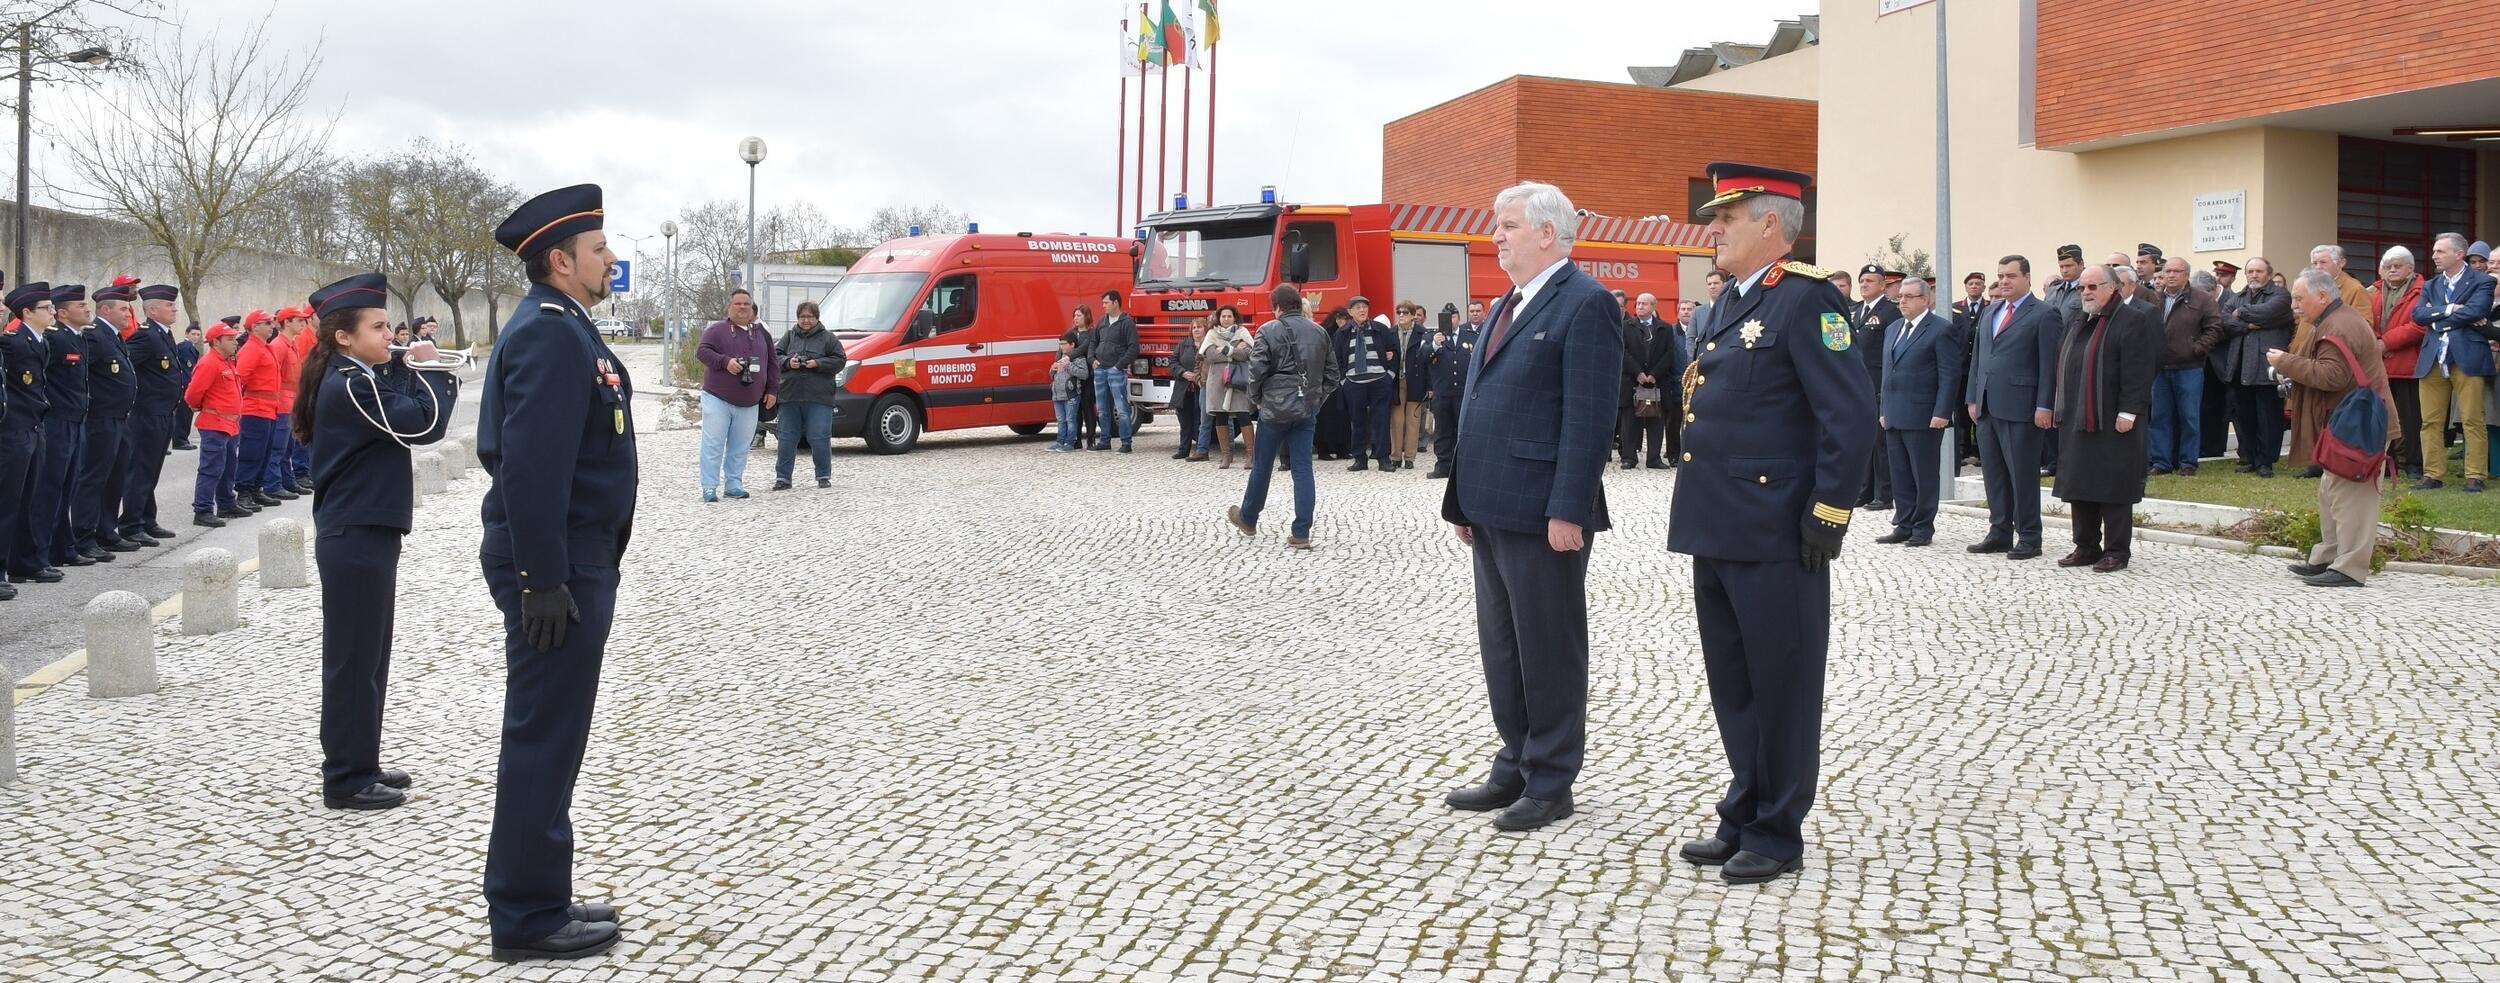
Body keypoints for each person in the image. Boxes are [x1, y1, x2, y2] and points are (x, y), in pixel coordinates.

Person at [1667, 164, 1871, 886]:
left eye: (1729, 216)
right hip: (1717, 524)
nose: (1712, 228)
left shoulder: (1808, 302)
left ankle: (1778, 828)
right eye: (1714, 216)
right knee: (1736, 683)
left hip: (1778, 529)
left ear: (1772, 227)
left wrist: (1827, 514)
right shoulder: (1729, 304)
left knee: (1781, 683)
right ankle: (1745, 805)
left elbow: (1846, 418)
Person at [478, 183, 634, 962]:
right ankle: (527, 914)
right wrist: (544, 577)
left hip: (574, 558)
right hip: (558, 566)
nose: (611, 259)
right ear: (560, 260)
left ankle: (541, 888)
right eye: (600, 249)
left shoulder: (566, 325)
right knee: (543, 733)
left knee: (555, 732)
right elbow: (531, 467)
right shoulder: (547, 332)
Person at [1439, 181, 1622, 839]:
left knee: (1549, 647)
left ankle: (1551, 779)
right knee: (1503, 646)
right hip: (1490, 505)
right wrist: (1462, 498)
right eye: (1498, 224)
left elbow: (1590, 418)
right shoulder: (1509, 304)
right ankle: (1514, 759)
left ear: (1549, 233)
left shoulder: (1587, 304)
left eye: (1509, 225)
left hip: (1544, 510)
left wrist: (1568, 508)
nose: (1498, 235)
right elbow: (1484, 402)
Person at [294, 272, 460, 811]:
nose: (391, 334)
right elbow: (422, 425)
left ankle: (361, 759)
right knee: (353, 658)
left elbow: (403, 410)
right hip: (355, 532)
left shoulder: (360, 375)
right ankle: (344, 777)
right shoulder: (349, 383)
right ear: (343, 335)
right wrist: (433, 368)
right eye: (380, 326)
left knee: (370, 656)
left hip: (366, 529)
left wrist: (401, 364)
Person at [2275, 269, 2401, 588]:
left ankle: (2349, 568)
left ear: (2322, 296)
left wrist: (2285, 362)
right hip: (2350, 422)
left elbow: (2331, 376)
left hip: (2360, 426)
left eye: (2300, 298)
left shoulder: (2338, 325)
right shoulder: (2335, 319)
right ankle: (2329, 556)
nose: (2295, 305)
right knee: (2332, 492)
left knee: (2354, 496)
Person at [2051, 265, 2162, 573]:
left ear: (2112, 288)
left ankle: (2116, 550)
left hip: (2115, 419)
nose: (2086, 292)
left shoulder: (2132, 320)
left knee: (2113, 486)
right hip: (2078, 418)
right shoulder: (2078, 319)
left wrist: (2130, 411)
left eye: (2092, 287)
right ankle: (2085, 546)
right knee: (2080, 484)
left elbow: (2139, 370)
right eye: (2082, 288)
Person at [1225, 283, 1340, 548]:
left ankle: (1248, 518)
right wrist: (1315, 401)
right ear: (1298, 305)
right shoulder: (1320, 331)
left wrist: (1258, 401)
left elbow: (1256, 372)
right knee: (1303, 470)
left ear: (1277, 307)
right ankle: (1301, 532)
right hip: (1306, 408)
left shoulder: (1268, 330)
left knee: (1262, 467)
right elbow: (1333, 375)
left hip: (1273, 410)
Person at [1964, 255, 2062, 560]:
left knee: (2022, 474)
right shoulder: (1990, 311)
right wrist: (1972, 397)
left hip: (2022, 407)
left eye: (2011, 276)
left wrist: (2044, 405)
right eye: (2001, 276)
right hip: (1988, 406)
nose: (2004, 281)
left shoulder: (2044, 314)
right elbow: (1978, 359)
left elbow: (2049, 366)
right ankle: (1999, 532)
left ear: (2027, 278)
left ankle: (2030, 536)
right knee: (1994, 474)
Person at [1875, 277, 1963, 546]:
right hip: (1894, 412)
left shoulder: (1940, 329)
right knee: (1899, 472)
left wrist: (1942, 411)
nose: (1902, 301)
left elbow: (1949, 375)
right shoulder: (1892, 329)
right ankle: (1904, 522)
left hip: (1924, 414)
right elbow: (1886, 373)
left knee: (1923, 473)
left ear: (1925, 299)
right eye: (1900, 296)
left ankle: (1923, 526)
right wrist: (1883, 408)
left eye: (1909, 296)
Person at [2410, 232, 2496, 492]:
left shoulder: (2483, 281)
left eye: (2440, 251)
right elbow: (2417, 314)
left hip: (2467, 356)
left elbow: (2477, 311)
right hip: (2433, 357)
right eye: (2435, 251)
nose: (2434, 255)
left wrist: (2435, 318)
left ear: (2459, 254)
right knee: (2430, 421)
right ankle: (2433, 474)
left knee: (2472, 418)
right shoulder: (2431, 284)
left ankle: (2475, 476)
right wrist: (2448, 310)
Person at [26, 283, 91, 573]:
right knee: (49, 489)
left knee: (67, 488)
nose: (87, 309)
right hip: (57, 421)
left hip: (75, 420)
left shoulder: (77, 338)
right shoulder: (56, 339)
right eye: (80, 306)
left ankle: (62, 546)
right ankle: (41, 553)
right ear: (63, 313)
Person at [72, 281, 139, 561]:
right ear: (106, 310)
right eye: (124, 308)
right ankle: (84, 536)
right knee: (94, 478)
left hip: (119, 418)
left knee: (115, 476)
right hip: (100, 419)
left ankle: (107, 529)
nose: (129, 313)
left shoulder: (115, 336)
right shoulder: (95, 336)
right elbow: (83, 377)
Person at [694, 288, 778, 502]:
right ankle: (709, 486)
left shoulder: (762, 333)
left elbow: (773, 364)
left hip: (750, 401)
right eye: (738, 303)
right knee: (713, 444)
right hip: (718, 398)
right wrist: (725, 362)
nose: (742, 307)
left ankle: (734, 483)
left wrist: (772, 390)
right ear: (729, 307)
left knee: (740, 446)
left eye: (746, 304)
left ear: (752, 309)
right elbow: (702, 351)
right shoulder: (716, 330)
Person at [2213, 257, 2293, 477]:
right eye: (2250, 271)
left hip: (2266, 365)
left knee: (2268, 417)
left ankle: (2265, 461)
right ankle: (2249, 457)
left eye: (2259, 271)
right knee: (2245, 415)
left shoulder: (2281, 295)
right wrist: (2250, 324)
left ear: (2268, 273)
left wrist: (2241, 315)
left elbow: (2270, 312)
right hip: (2240, 366)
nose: (2254, 275)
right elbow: (2224, 320)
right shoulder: (2238, 296)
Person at [118, 282, 185, 547]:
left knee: (152, 468)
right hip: (146, 412)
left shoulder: (164, 334)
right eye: (169, 305)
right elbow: (126, 367)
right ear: (153, 310)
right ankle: (131, 524)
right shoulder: (146, 335)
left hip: (163, 412)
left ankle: (147, 519)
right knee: (141, 469)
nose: (175, 309)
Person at [3, 284, 58, 587]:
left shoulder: (40, 341)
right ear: (27, 312)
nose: (52, 312)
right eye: (46, 308)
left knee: (29, 499)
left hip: (35, 427)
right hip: (15, 429)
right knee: (9, 501)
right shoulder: (12, 343)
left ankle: (25, 562)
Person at [2150, 257, 2225, 476]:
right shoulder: (2155, 298)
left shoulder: (2201, 299)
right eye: (2167, 271)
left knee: (2189, 416)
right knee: (2160, 416)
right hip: (2160, 367)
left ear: (2186, 275)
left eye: (2176, 271)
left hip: (2189, 366)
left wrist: (2197, 348)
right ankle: (2162, 461)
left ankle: (2188, 462)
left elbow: (2215, 328)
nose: (2170, 275)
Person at [182, 319, 247, 528]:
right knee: (211, 468)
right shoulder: (210, 363)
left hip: (230, 424)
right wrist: (197, 406)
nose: (234, 342)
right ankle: (202, 510)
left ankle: (226, 503)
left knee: (228, 466)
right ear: (216, 342)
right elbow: (192, 393)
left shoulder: (227, 361)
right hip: (215, 423)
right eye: (229, 339)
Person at [2371, 249, 2427, 480]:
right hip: (2379, 364)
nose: (2392, 270)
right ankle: (2385, 461)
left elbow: (2420, 325)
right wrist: (2373, 340)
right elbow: (2365, 320)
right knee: (2381, 416)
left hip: (2408, 363)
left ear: (2410, 268)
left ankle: (2413, 463)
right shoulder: (2373, 292)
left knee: (2411, 417)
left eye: (2398, 265)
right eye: (2388, 266)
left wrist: (2384, 343)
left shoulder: (2423, 291)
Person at [1849, 265, 1900, 511]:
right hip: (1856, 386)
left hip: (1878, 384)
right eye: (1862, 281)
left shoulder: (1890, 311)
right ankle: (1864, 491)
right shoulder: (1854, 311)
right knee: (1863, 441)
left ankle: (1885, 493)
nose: (1864, 284)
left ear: (1882, 285)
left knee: (1881, 443)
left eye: (1870, 280)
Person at [231, 309, 290, 508]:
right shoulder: (251, 349)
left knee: (264, 451)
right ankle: (244, 490)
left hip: (269, 406)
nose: (271, 326)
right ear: (255, 326)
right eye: (266, 323)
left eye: (271, 323)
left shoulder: (265, 347)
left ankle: (256, 488)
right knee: (252, 451)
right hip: (255, 407)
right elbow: (242, 379)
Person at [1618, 292, 1680, 469]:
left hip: (1657, 382)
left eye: (1644, 304)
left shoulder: (1665, 328)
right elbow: (1623, 351)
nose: (1639, 306)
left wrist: (1654, 374)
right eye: (1638, 303)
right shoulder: (1626, 326)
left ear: (1653, 306)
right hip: (1632, 380)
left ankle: (1654, 458)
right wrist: (1637, 372)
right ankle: (1629, 457)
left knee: (1656, 422)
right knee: (1629, 421)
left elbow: (1669, 354)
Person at [1337, 296, 1398, 472]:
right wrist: (1344, 381)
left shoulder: (1380, 329)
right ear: (1350, 312)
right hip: (1354, 383)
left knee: (1381, 420)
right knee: (1357, 421)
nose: (1362, 310)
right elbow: (1337, 359)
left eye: (1364, 307)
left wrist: (1390, 375)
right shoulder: (1342, 333)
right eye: (1357, 307)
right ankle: (1360, 458)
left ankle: (1383, 459)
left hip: (1380, 381)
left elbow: (1395, 351)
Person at [1427, 302, 1481, 478]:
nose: (1451, 320)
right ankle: (1443, 466)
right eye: (1447, 318)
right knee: (1442, 431)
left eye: (1454, 316)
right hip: (1442, 393)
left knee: (1463, 431)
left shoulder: (1471, 336)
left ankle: (1463, 467)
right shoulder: (1433, 337)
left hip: (1464, 393)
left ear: (1459, 318)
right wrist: (1435, 345)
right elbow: (1421, 358)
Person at [1198, 305, 1254, 468]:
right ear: (1219, 318)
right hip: (1217, 381)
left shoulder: (1242, 332)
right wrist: (1235, 351)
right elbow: (1211, 356)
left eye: (1229, 316)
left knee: (1243, 414)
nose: (1226, 319)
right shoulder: (1212, 334)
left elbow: (1248, 354)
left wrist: (1226, 349)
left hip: (1238, 379)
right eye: (1223, 316)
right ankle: (1226, 456)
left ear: (1235, 317)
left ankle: (1250, 455)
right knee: (1220, 416)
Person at [1089, 289, 1139, 452]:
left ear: (1116, 302)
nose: (1103, 306)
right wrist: (1091, 359)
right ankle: (1105, 441)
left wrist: (1119, 365)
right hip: (1100, 369)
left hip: (1116, 370)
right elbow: (1093, 342)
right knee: (1102, 408)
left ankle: (1126, 443)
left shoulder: (1127, 322)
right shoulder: (1102, 321)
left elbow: (1133, 348)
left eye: (1106, 303)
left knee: (1121, 408)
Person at [1393, 302, 1433, 472]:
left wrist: (1430, 387)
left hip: (1416, 381)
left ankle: (1409, 457)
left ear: (1411, 315)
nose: (1401, 315)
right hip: (1396, 381)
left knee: (1413, 421)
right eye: (1399, 312)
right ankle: (1395, 457)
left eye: (1405, 312)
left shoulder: (1423, 333)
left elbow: (1429, 363)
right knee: (1396, 420)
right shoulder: (1390, 333)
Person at [1314, 307, 1354, 460]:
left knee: (1341, 416)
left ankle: (1341, 448)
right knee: (1328, 416)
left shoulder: (1345, 333)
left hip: (1338, 378)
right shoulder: (1327, 334)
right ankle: (1327, 449)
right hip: (1330, 379)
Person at [1059, 306, 1099, 449]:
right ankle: (1076, 439)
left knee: (1088, 407)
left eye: (1079, 315)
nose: (1075, 318)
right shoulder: (1071, 333)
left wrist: (1067, 357)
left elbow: (1084, 349)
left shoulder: (1092, 333)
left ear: (1086, 316)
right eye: (1074, 315)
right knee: (1075, 409)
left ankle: (1091, 439)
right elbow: (1061, 348)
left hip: (1086, 376)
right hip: (1072, 377)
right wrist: (1059, 361)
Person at [1170, 316, 1206, 459]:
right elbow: (1172, 362)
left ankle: (1201, 450)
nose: (1196, 330)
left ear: (1206, 329)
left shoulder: (1209, 345)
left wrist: (1198, 376)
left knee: (1200, 420)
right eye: (1194, 328)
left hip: (1201, 388)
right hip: (1184, 389)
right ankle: (1183, 449)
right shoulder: (1183, 345)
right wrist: (1183, 373)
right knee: (1184, 421)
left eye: (1199, 327)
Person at [1048, 334, 1090, 453]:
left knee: (1070, 419)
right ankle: (1060, 441)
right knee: (1060, 419)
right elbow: (1052, 375)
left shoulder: (1078, 358)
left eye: (1064, 344)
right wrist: (1052, 369)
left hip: (1071, 395)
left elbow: (1084, 374)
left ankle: (1070, 442)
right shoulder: (1059, 357)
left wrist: (1069, 365)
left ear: (1072, 345)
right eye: (1060, 344)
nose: (1061, 347)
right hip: (1057, 394)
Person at [172, 323, 200, 449]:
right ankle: (180, 439)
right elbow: (188, 369)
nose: (196, 337)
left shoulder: (192, 348)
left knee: (187, 414)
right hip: (185, 384)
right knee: (183, 414)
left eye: (198, 335)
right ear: (187, 334)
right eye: (193, 334)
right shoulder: (184, 347)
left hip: (188, 383)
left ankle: (183, 438)